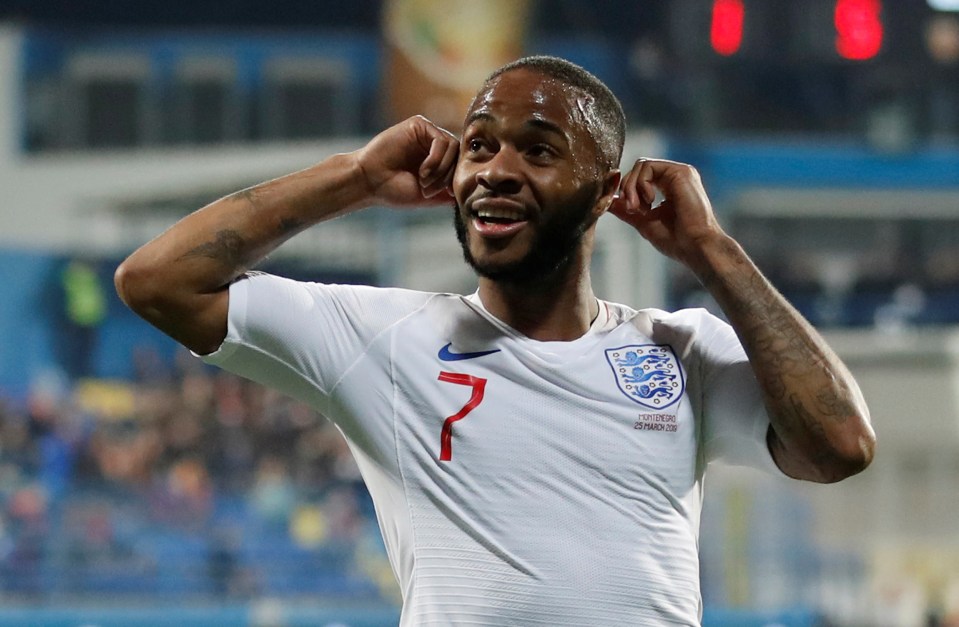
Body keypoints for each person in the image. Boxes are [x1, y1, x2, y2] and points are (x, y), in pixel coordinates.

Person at [115, 55, 875, 625]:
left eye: (538, 151)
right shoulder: (385, 340)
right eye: (478, 146)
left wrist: (711, 249)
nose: (496, 171)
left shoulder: (681, 351)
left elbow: (839, 444)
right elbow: (157, 281)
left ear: (605, 191)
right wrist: (354, 177)